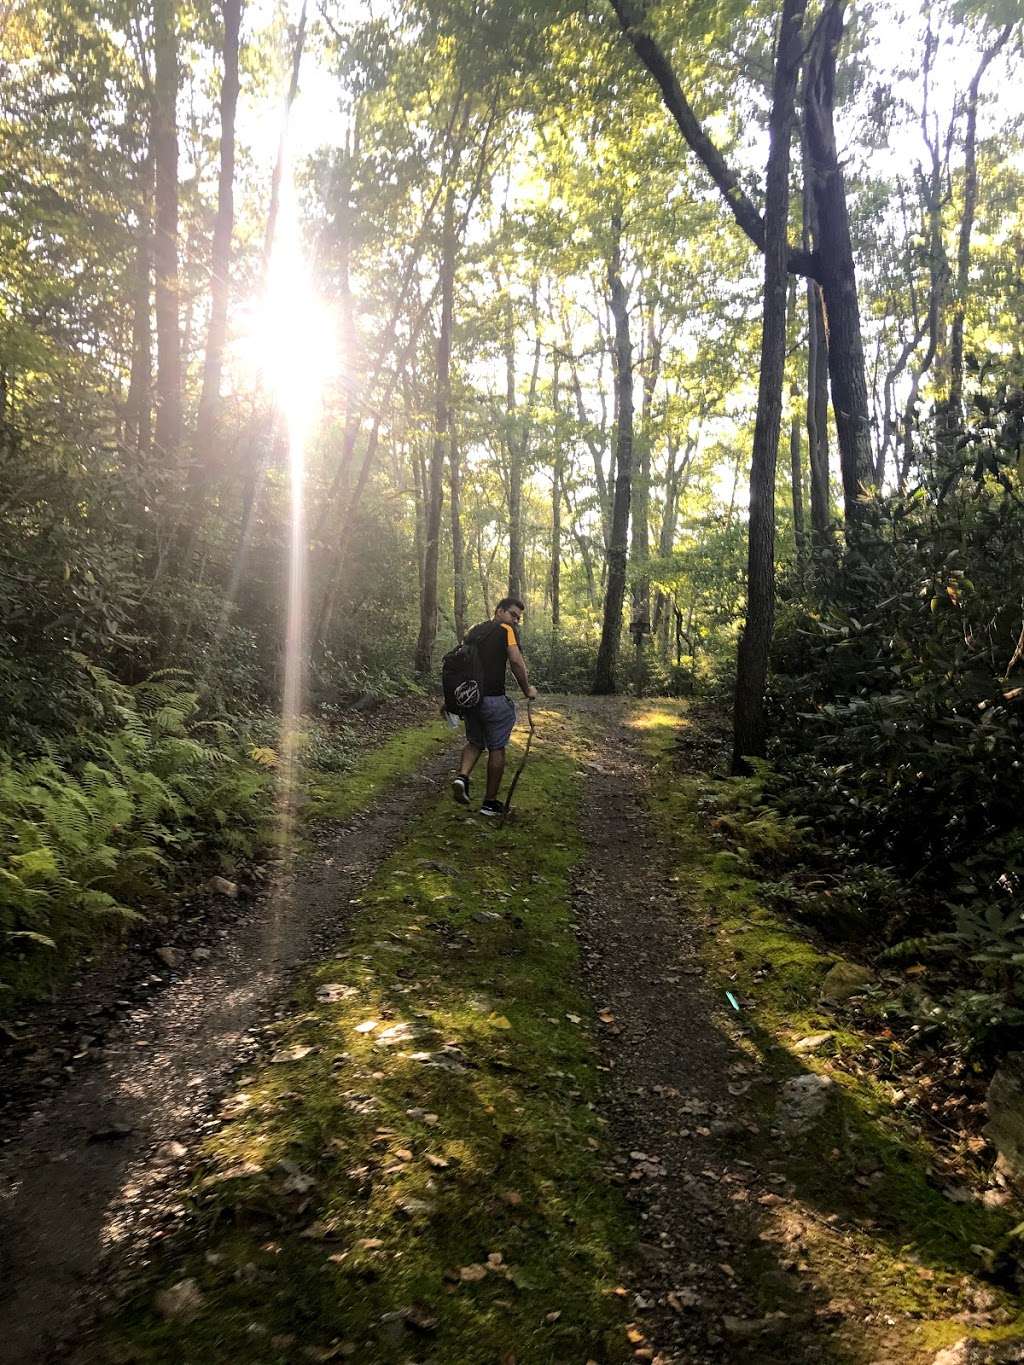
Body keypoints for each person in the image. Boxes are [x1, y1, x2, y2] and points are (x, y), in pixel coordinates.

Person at [451, 596, 537, 816]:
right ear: (499, 611)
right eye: (512, 615)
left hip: (471, 699)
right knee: (497, 748)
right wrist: (527, 689)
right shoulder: (505, 631)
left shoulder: (474, 631)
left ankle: (462, 776)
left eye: (518, 618)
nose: (515, 621)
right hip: (493, 700)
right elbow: (516, 662)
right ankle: (489, 804)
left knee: (475, 742)